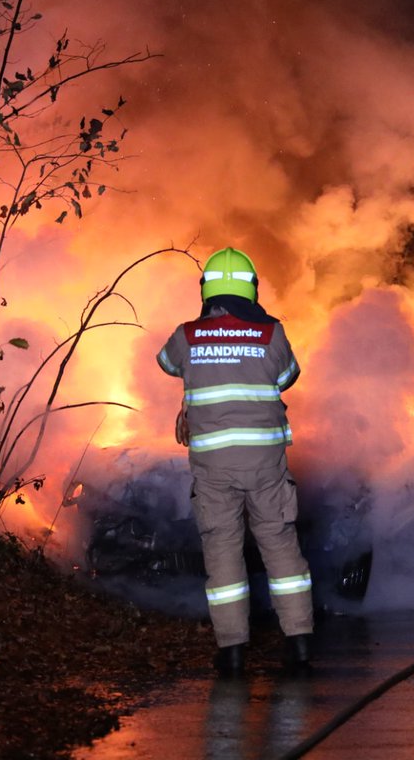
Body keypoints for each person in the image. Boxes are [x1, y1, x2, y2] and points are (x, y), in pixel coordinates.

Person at [157, 247, 313, 672]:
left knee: (222, 549)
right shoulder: (271, 332)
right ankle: (298, 644)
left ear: (207, 290)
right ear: (252, 289)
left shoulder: (187, 334)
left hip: (213, 467)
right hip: (265, 463)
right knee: (280, 546)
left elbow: (167, 363)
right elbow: (287, 376)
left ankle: (232, 651)